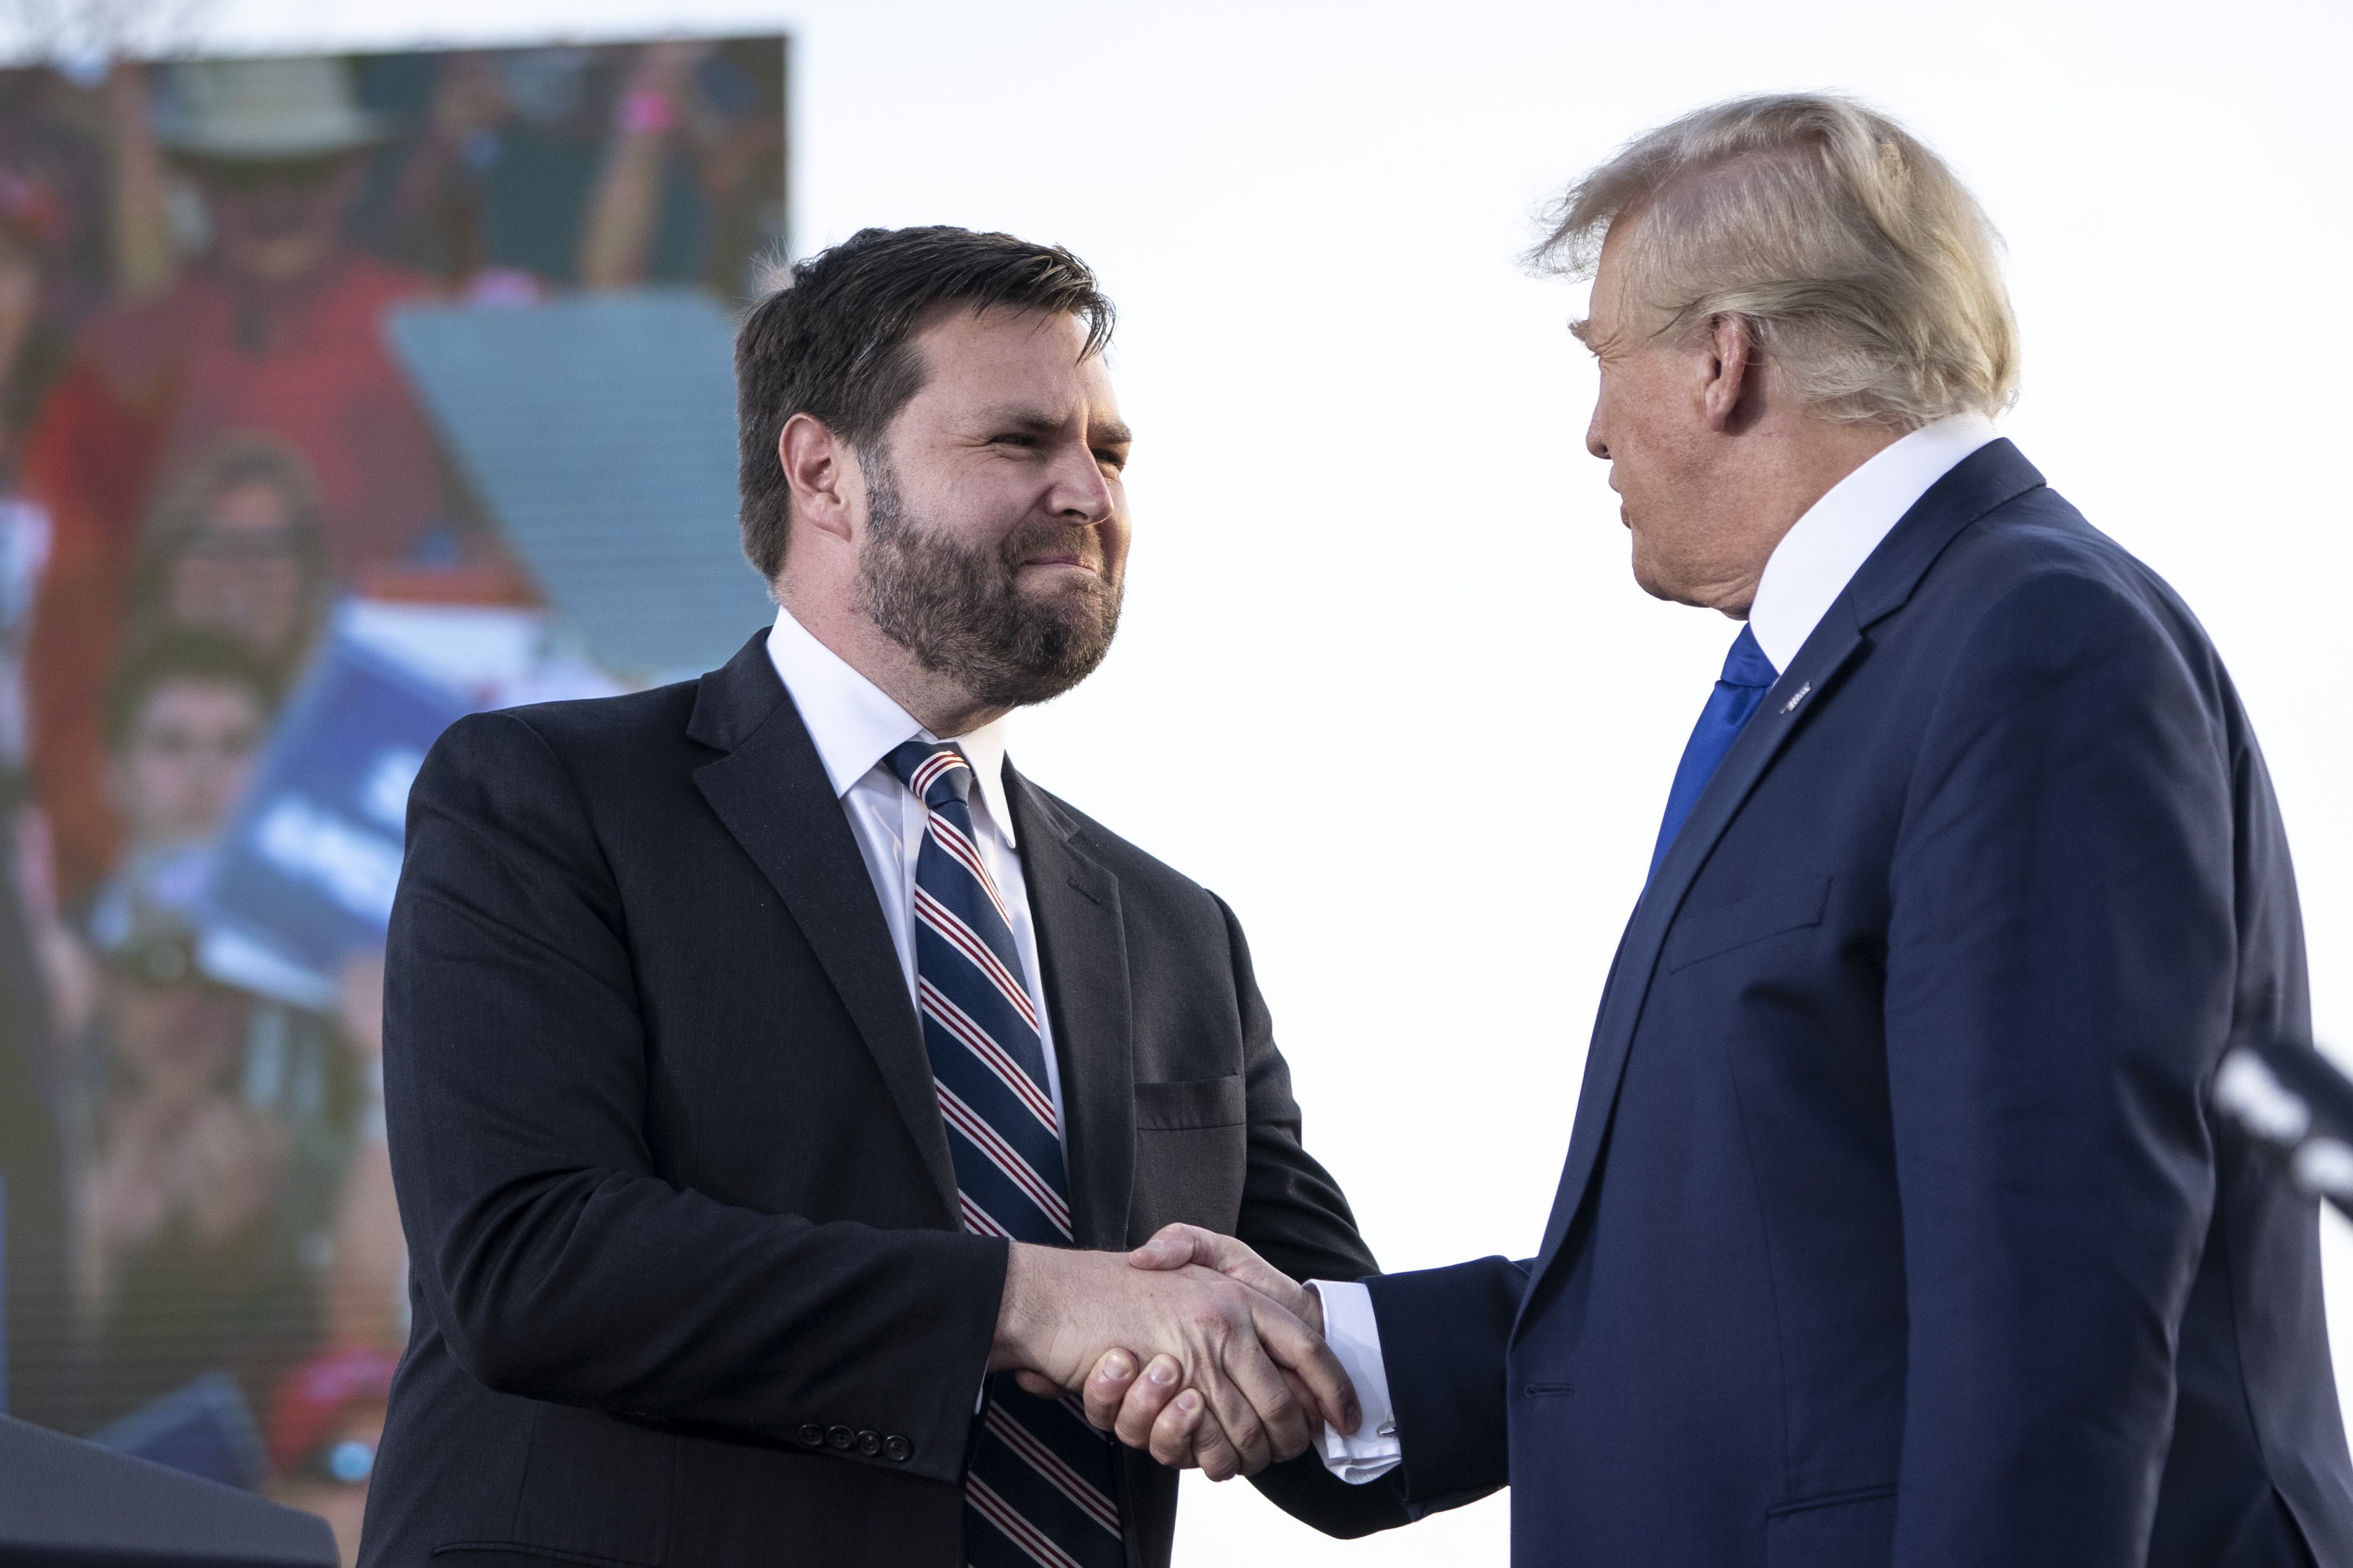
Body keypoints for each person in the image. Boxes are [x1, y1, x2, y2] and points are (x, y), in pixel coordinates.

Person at [1110, 94, 2353, 1566]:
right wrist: (1345, 1354)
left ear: (1722, 360)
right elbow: (1779, 1285)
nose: (1590, 432)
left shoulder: (2029, 642)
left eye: (1600, 360)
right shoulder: (1894, 660)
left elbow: (2051, 1303)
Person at [361, 226, 1406, 1568]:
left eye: (1113, 451)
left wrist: (1637, 1307)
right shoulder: (545, 801)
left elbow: (1337, 1392)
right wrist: (1030, 1302)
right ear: (824, 475)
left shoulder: (1177, 933)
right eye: (1020, 442)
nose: (1088, 490)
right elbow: (530, 1265)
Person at [19, 56, 514, 905]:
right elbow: (66, 626)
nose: (273, 200)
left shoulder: (432, 335)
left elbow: (505, 579)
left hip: (380, 803)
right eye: (243, 175)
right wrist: (108, 861)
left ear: (352, 176)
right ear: (198, 182)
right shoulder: (123, 354)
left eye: (304, 171)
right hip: (162, 814)